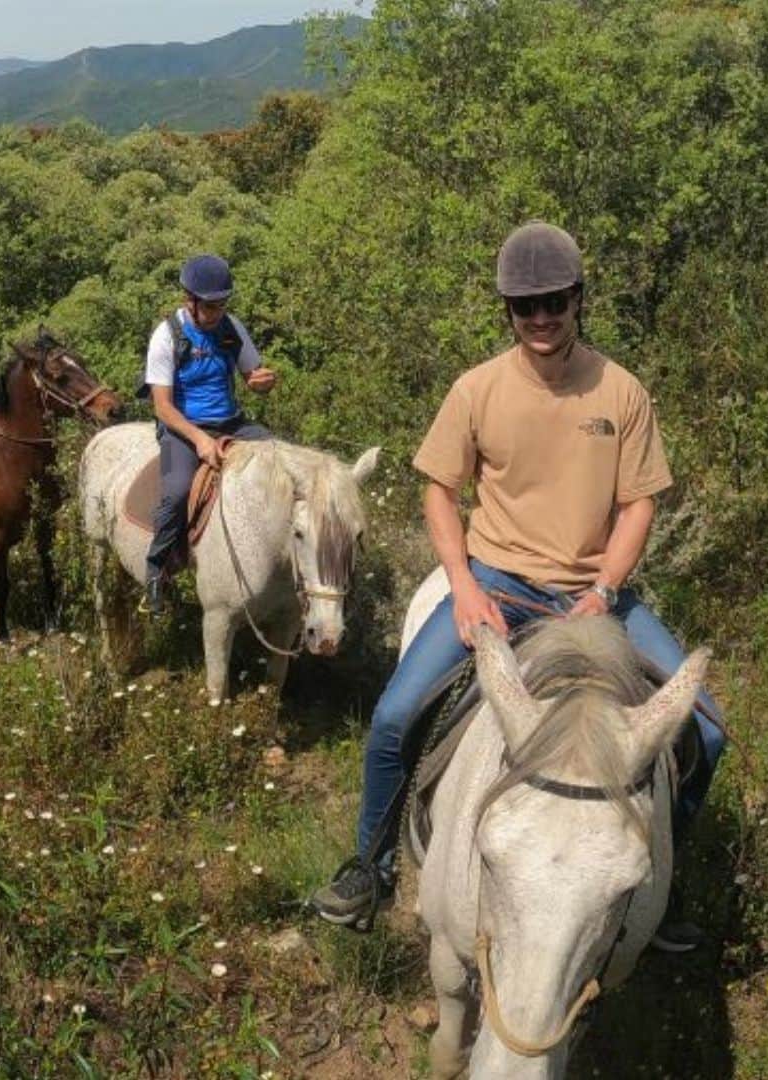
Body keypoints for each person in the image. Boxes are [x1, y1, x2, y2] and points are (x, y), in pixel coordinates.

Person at [308, 222, 726, 950]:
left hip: (596, 592)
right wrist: (464, 587)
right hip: (498, 580)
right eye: (525, 305)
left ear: (577, 300)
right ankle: (369, 869)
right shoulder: (477, 389)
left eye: (555, 302)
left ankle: (654, 875)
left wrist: (604, 589)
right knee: (395, 717)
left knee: (709, 731)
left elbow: (640, 504)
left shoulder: (621, 391)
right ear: (507, 310)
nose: (541, 318)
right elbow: (440, 489)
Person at [139, 253, 281, 614]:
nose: (218, 312)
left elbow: (252, 376)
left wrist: (261, 382)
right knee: (176, 491)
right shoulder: (167, 336)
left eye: (222, 304)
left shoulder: (231, 327)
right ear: (190, 300)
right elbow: (162, 407)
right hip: (182, 428)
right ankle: (156, 571)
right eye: (211, 306)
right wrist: (200, 440)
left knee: (282, 459)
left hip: (231, 421)